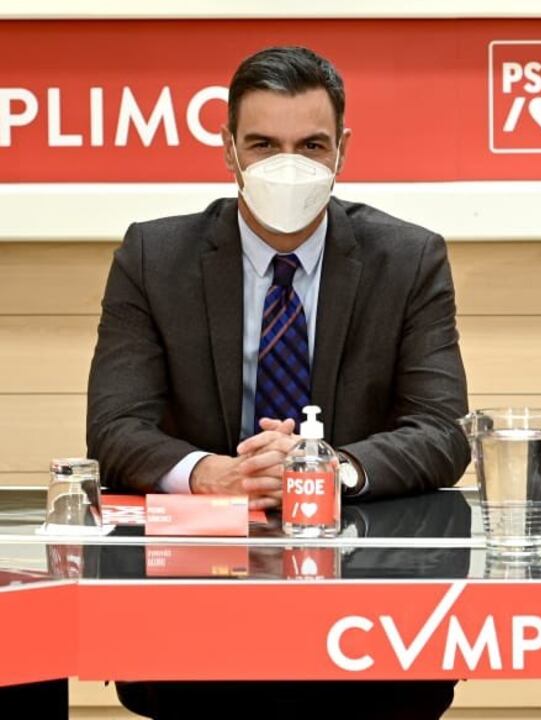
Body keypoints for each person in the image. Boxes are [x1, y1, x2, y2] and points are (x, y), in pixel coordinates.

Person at [86, 45, 468, 719]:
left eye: (311, 145)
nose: (288, 166)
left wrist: (327, 469)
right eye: (263, 144)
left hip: (369, 605)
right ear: (228, 150)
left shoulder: (409, 258)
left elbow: (442, 432)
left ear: (342, 152)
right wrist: (208, 473)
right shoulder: (154, 256)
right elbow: (115, 430)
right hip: (194, 604)